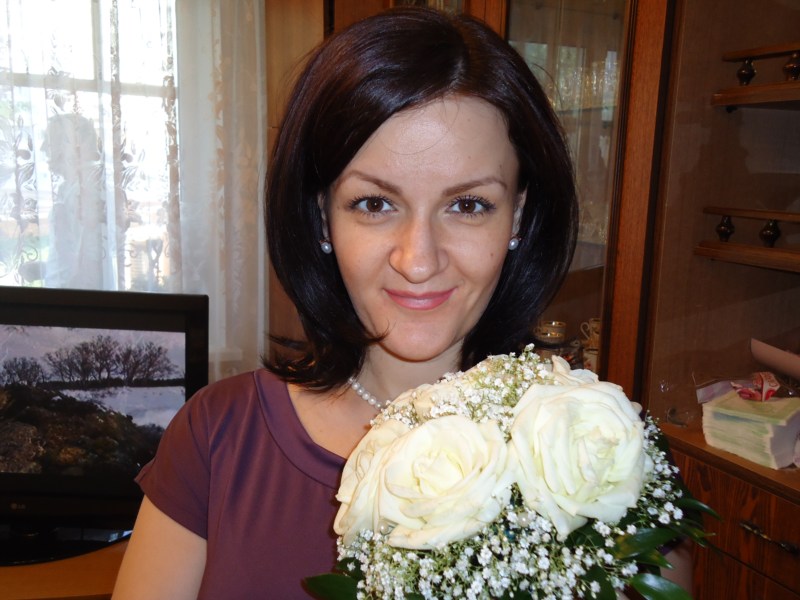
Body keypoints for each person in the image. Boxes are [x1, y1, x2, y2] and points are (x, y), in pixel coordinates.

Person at [113, 7, 688, 599]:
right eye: (375, 204)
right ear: (322, 215)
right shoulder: (217, 437)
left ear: (518, 215)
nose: (418, 260)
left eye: (468, 205)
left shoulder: (604, 461)